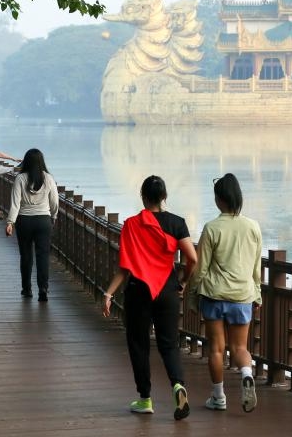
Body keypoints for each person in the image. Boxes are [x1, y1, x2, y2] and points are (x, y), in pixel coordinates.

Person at [102, 175, 197, 420]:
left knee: (139, 344)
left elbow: (124, 267)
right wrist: (183, 282)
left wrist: (109, 293)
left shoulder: (132, 225)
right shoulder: (177, 223)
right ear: (164, 197)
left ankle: (145, 399)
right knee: (169, 344)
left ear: (143, 197)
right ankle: (178, 385)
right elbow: (192, 259)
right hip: (167, 290)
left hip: (138, 290)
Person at [190, 173, 262, 413]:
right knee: (240, 348)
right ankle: (246, 374)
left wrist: (192, 292)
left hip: (214, 295)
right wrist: (258, 294)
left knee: (216, 349)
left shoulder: (211, 228)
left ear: (219, 200)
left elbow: (201, 267)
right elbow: (255, 268)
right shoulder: (253, 227)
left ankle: (218, 398)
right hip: (243, 295)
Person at [5, 148, 58, 301]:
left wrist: (10, 222)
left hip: (24, 221)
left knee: (26, 255)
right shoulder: (48, 178)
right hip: (43, 221)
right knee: (43, 256)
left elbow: (15, 204)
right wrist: (53, 216)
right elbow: (55, 202)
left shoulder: (20, 178)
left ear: (26, 161)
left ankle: (27, 289)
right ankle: (43, 288)